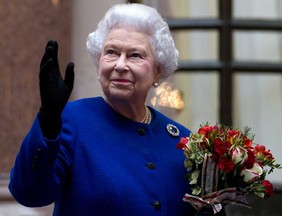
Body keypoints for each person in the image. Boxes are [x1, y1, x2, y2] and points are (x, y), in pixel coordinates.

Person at [9, 3, 226, 216]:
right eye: (111, 52)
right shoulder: (71, 121)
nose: (120, 65)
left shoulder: (182, 140)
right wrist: (48, 118)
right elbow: (29, 194)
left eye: (135, 55)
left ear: (158, 71)